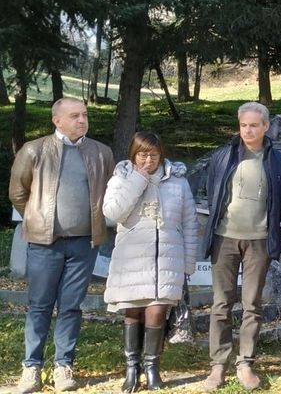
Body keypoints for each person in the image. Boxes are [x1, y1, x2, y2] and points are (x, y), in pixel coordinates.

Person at [8, 98, 114, 393]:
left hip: (84, 245)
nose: (82, 120)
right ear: (57, 121)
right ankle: (31, 367)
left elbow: (111, 192)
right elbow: (18, 193)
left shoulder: (101, 153)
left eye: (85, 115)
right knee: (40, 305)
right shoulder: (34, 150)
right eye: (75, 115)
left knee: (71, 306)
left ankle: (63, 366)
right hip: (45, 243)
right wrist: (38, 218)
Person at [201, 102, 281, 391]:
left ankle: (246, 363)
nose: (248, 130)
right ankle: (218, 366)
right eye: (243, 125)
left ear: (266, 126)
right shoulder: (223, 156)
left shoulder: (278, 162)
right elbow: (211, 192)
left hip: (259, 241)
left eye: (254, 125)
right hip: (224, 238)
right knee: (221, 304)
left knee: (252, 304)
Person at [103, 132, 200, 392]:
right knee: (133, 312)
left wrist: (188, 264)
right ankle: (131, 369)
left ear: (162, 155)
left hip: (167, 260)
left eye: (154, 155)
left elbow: (190, 224)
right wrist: (138, 180)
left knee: (157, 313)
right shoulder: (121, 178)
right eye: (142, 154)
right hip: (131, 261)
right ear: (133, 155)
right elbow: (112, 214)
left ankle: (152, 367)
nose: (148, 160)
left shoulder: (178, 183)